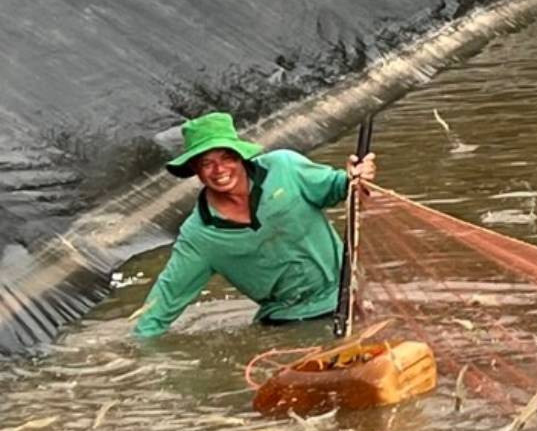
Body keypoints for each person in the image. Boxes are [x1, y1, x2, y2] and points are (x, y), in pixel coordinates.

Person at [132, 112, 376, 338]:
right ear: (196, 169)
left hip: (349, 297)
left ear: (240, 155)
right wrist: (135, 349)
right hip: (287, 322)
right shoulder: (199, 236)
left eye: (227, 157)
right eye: (207, 163)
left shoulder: (285, 168)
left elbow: (341, 187)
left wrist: (357, 176)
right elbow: (163, 303)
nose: (219, 170)